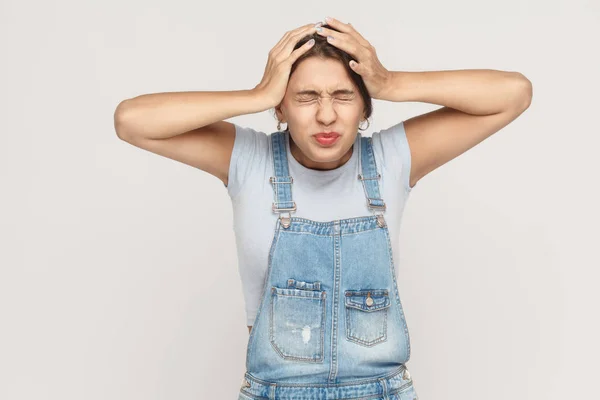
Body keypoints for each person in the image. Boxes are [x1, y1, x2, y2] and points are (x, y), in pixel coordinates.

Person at [114, 16, 532, 400]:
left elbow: (514, 94)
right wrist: (256, 93)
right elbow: (131, 120)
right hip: (276, 391)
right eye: (306, 97)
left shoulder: (391, 160)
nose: (327, 115)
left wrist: (389, 82)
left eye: (344, 96)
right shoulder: (248, 160)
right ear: (281, 106)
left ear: (365, 107)